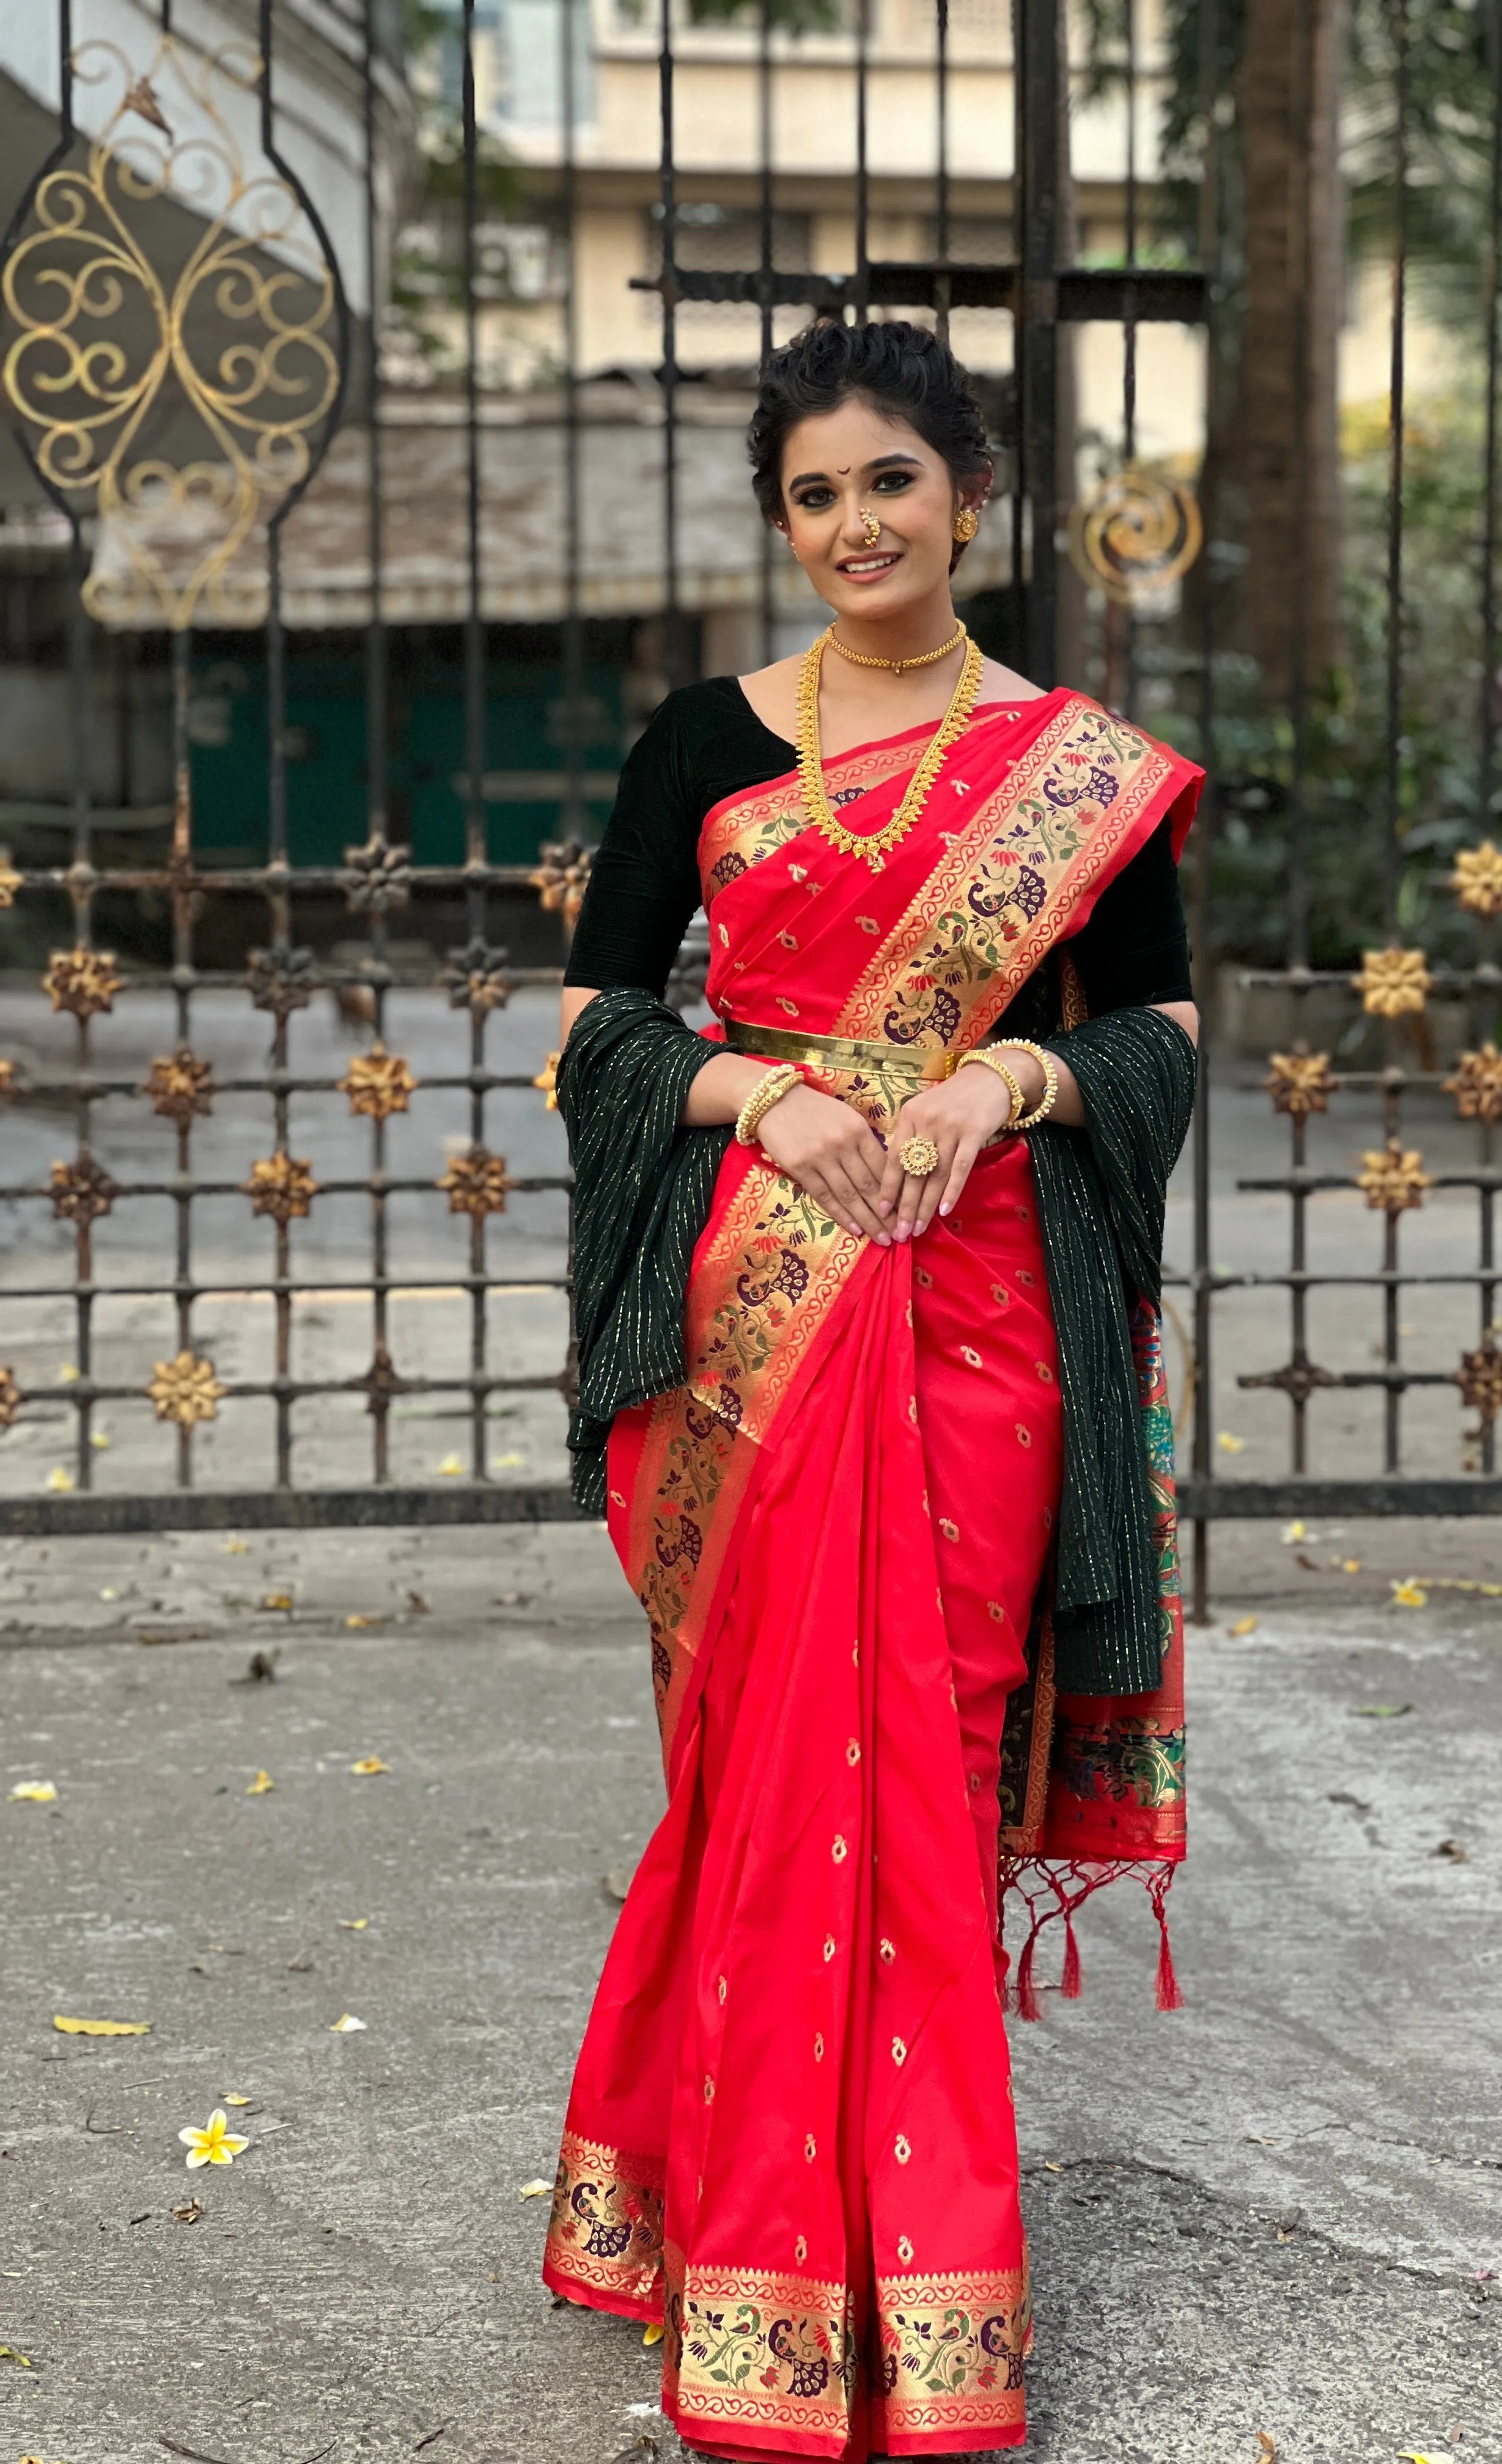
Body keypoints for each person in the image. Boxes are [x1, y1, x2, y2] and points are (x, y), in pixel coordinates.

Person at [543, 315, 1199, 2462]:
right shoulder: (705, 746)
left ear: (968, 493)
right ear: (786, 516)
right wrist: (755, 1093)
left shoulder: (1076, 770)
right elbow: (588, 1029)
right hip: (755, 1309)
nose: (855, 527)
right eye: (816, 494)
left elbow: (1166, 1038)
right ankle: (729, 2249)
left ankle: (912, 2297)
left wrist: (1014, 1070)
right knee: (761, 1769)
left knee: (926, 1751)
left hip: (989, 1309)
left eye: (890, 484)